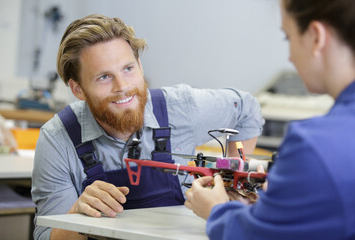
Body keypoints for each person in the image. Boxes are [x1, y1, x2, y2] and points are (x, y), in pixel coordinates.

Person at [31, 14, 264, 240]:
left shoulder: (180, 108)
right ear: (77, 89)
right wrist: (76, 217)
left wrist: (231, 179)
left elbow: (246, 108)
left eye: (128, 69)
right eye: (104, 77)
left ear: (140, 66)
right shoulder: (57, 138)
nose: (122, 86)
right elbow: (46, 236)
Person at [185, 0, 355, 239]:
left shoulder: (314, 147)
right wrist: (278, 207)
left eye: (288, 37)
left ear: (316, 37)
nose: (290, 57)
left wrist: (217, 210)